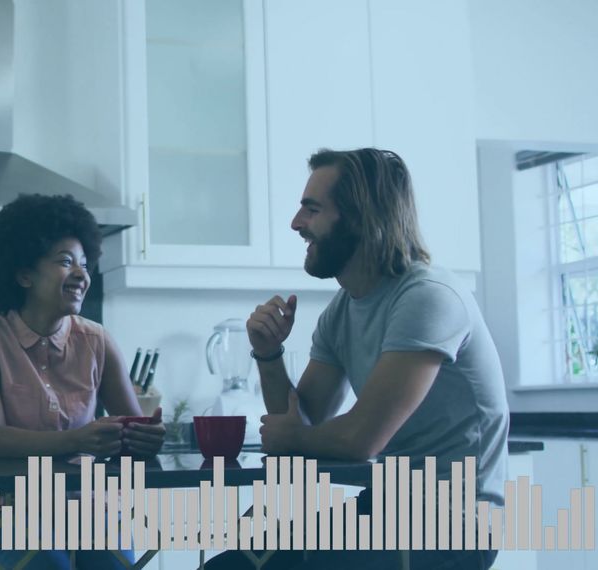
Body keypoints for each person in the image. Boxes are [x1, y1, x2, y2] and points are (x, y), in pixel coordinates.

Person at [207, 148, 508, 569]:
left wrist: (293, 439)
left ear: (361, 218)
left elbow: (361, 439)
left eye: (311, 210)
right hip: (386, 510)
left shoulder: (429, 298)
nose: (296, 224)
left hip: (452, 527)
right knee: (232, 564)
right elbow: (303, 421)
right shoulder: (344, 309)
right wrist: (268, 353)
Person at [0, 193, 166, 569]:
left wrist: (146, 437)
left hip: (89, 504)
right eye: (64, 262)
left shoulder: (96, 339)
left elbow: (133, 428)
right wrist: (77, 439)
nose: (80, 274)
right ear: (24, 274)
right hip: (9, 506)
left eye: (84, 264)